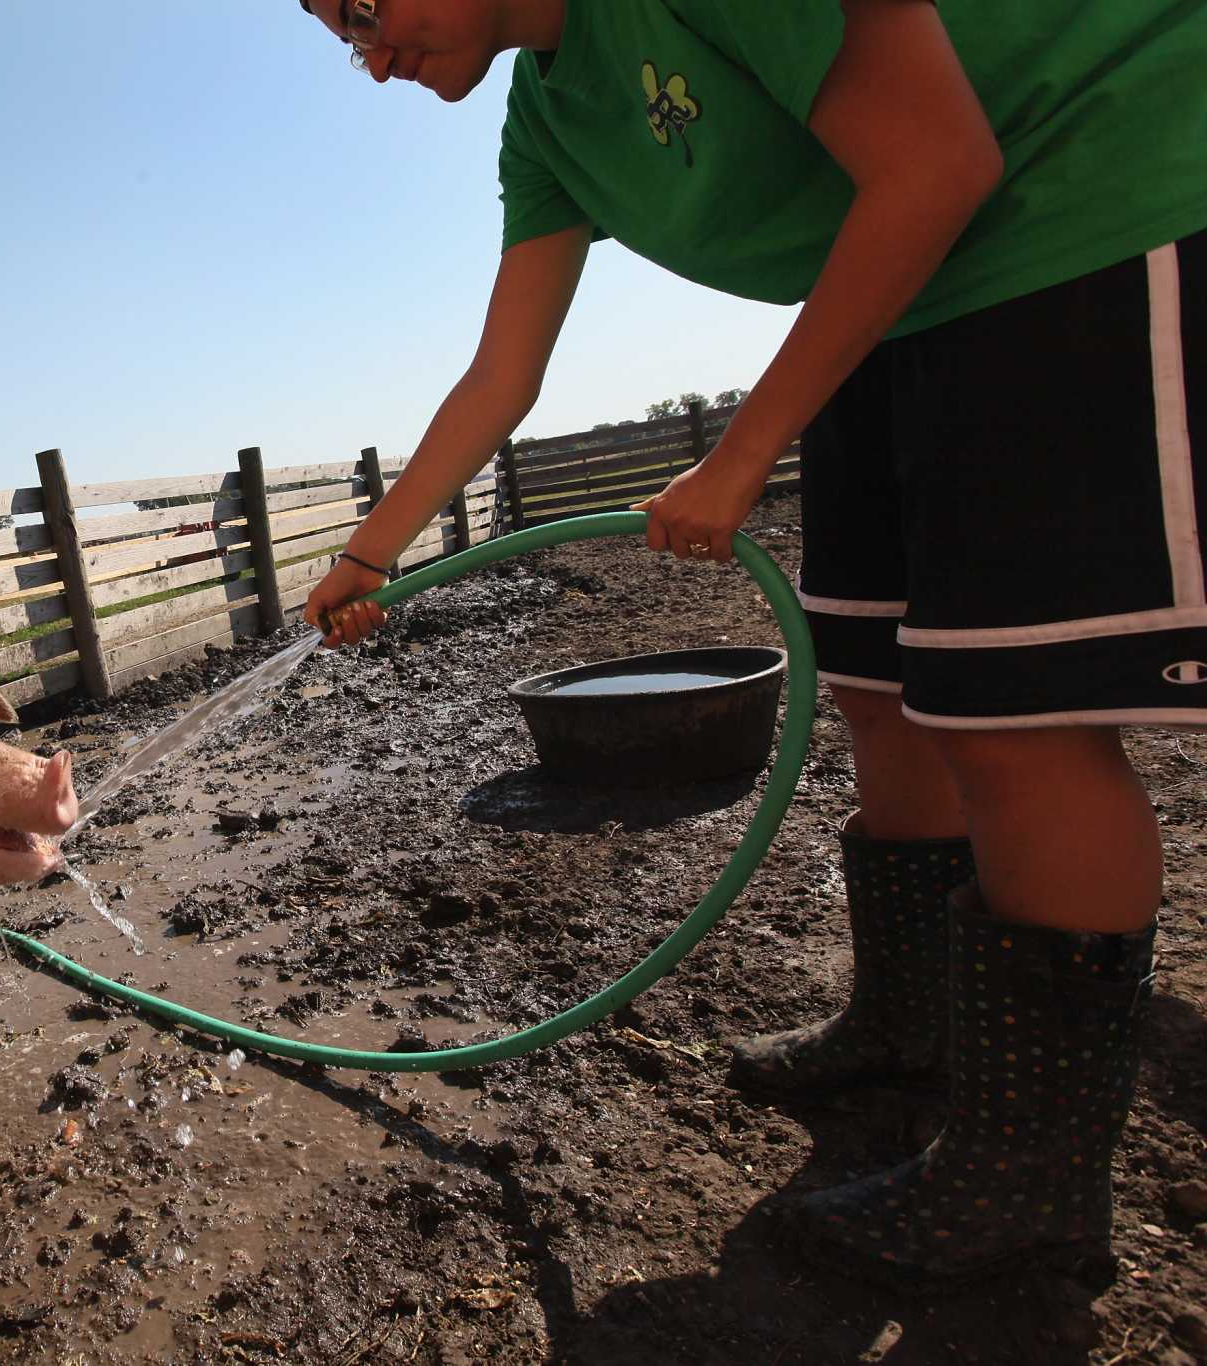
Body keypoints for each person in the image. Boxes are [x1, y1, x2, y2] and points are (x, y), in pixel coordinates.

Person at [296, 0, 1204, 1281]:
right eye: (342, 33)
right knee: (880, 681)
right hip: (898, 290)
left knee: (1018, 717)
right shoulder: (545, 117)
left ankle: (1030, 1184)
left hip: (1070, 207)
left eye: (367, 6)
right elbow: (502, 373)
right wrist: (367, 552)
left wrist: (739, 453)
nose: (369, 53)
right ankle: (908, 1019)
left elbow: (940, 159)